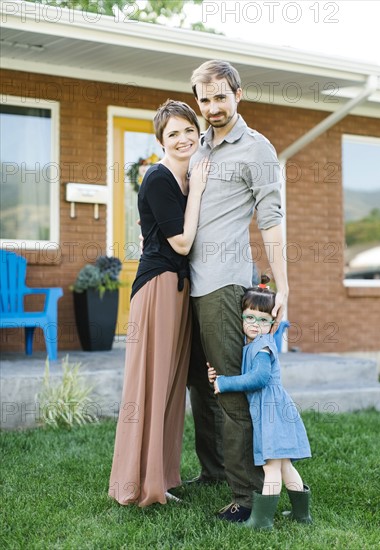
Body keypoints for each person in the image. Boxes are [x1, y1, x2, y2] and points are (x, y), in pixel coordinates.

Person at [186, 59, 289, 522]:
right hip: (187, 283)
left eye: (220, 97)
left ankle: (246, 496)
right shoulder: (198, 146)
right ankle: (213, 472)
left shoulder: (257, 149)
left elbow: (271, 219)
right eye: (204, 99)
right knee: (199, 385)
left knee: (227, 386)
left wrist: (281, 283)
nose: (212, 107)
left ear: (238, 95)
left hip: (224, 283)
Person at [109, 100, 209, 507]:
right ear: (161, 141)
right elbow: (182, 242)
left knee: (169, 385)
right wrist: (199, 191)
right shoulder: (160, 178)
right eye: (173, 134)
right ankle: (139, 484)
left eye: (188, 129)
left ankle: (161, 478)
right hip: (159, 286)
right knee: (150, 384)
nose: (183, 138)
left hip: (179, 287)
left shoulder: (187, 176)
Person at [208, 285, 312, 530]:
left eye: (263, 320)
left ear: (272, 323)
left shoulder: (263, 347)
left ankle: (262, 520)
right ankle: (302, 516)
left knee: (271, 466)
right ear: (241, 317)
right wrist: (214, 374)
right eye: (250, 317)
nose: (255, 324)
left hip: (272, 413)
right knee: (285, 465)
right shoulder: (254, 343)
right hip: (274, 411)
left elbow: (259, 378)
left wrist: (225, 382)